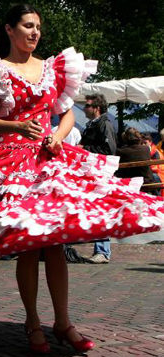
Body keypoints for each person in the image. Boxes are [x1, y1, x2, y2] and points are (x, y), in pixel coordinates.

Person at [0, 3, 162, 355]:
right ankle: (33, 322)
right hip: (13, 162)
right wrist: (17, 125)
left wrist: (60, 136)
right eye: (28, 26)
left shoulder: (52, 69)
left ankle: (63, 322)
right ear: (9, 30)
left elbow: (64, 115)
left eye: (38, 27)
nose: (35, 33)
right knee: (30, 245)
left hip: (51, 158)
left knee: (55, 243)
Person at [79, 93, 117, 264]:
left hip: (101, 175)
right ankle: (100, 249)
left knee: (100, 211)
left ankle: (103, 251)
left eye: (87, 105)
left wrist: (84, 148)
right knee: (96, 211)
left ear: (96, 108)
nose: (84, 108)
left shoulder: (104, 124)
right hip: (93, 174)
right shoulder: (93, 124)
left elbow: (109, 150)